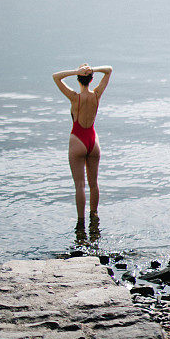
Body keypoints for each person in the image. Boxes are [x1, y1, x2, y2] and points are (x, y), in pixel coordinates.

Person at [52, 63, 112, 227]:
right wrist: (93, 69)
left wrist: (75, 71)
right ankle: (94, 216)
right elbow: (109, 70)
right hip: (93, 141)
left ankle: (80, 222)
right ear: (92, 79)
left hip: (78, 139)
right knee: (94, 184)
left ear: (78, 79)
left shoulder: (74, 97)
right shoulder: (96, 95)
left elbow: (56, 76)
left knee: (80, 186)